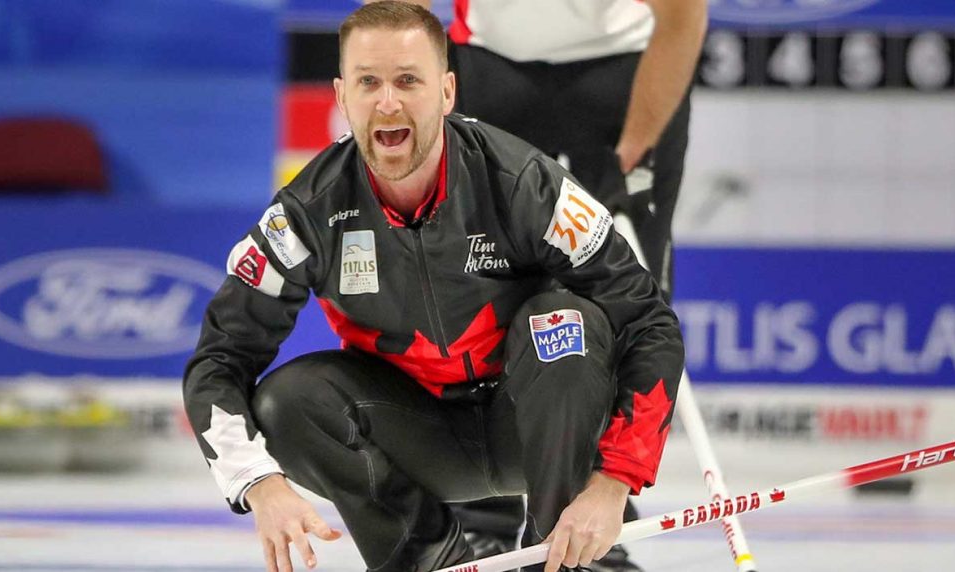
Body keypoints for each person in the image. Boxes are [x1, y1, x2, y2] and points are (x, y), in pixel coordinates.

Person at [182, 3, 684, 572]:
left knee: (563, 322)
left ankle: (559, 556)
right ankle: (424, 558)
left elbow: (650, 323)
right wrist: (259, 484)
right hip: (424, 436)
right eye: (368, 82)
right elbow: (218, 361)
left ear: (447, 93)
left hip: (537, 426)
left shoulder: (523, 183)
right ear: (342, 96)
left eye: (407, 81)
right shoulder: (305, 215)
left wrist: (613, 482)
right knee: (286, 402)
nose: (387, 102)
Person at [365, 2, 707, 568]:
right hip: (489, 71)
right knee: (471, 287)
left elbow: (682, 17)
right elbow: (398, 14)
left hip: (626, 75)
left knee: (622, 302)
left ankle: (598, 523)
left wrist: (635, 149)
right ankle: (482, 518)